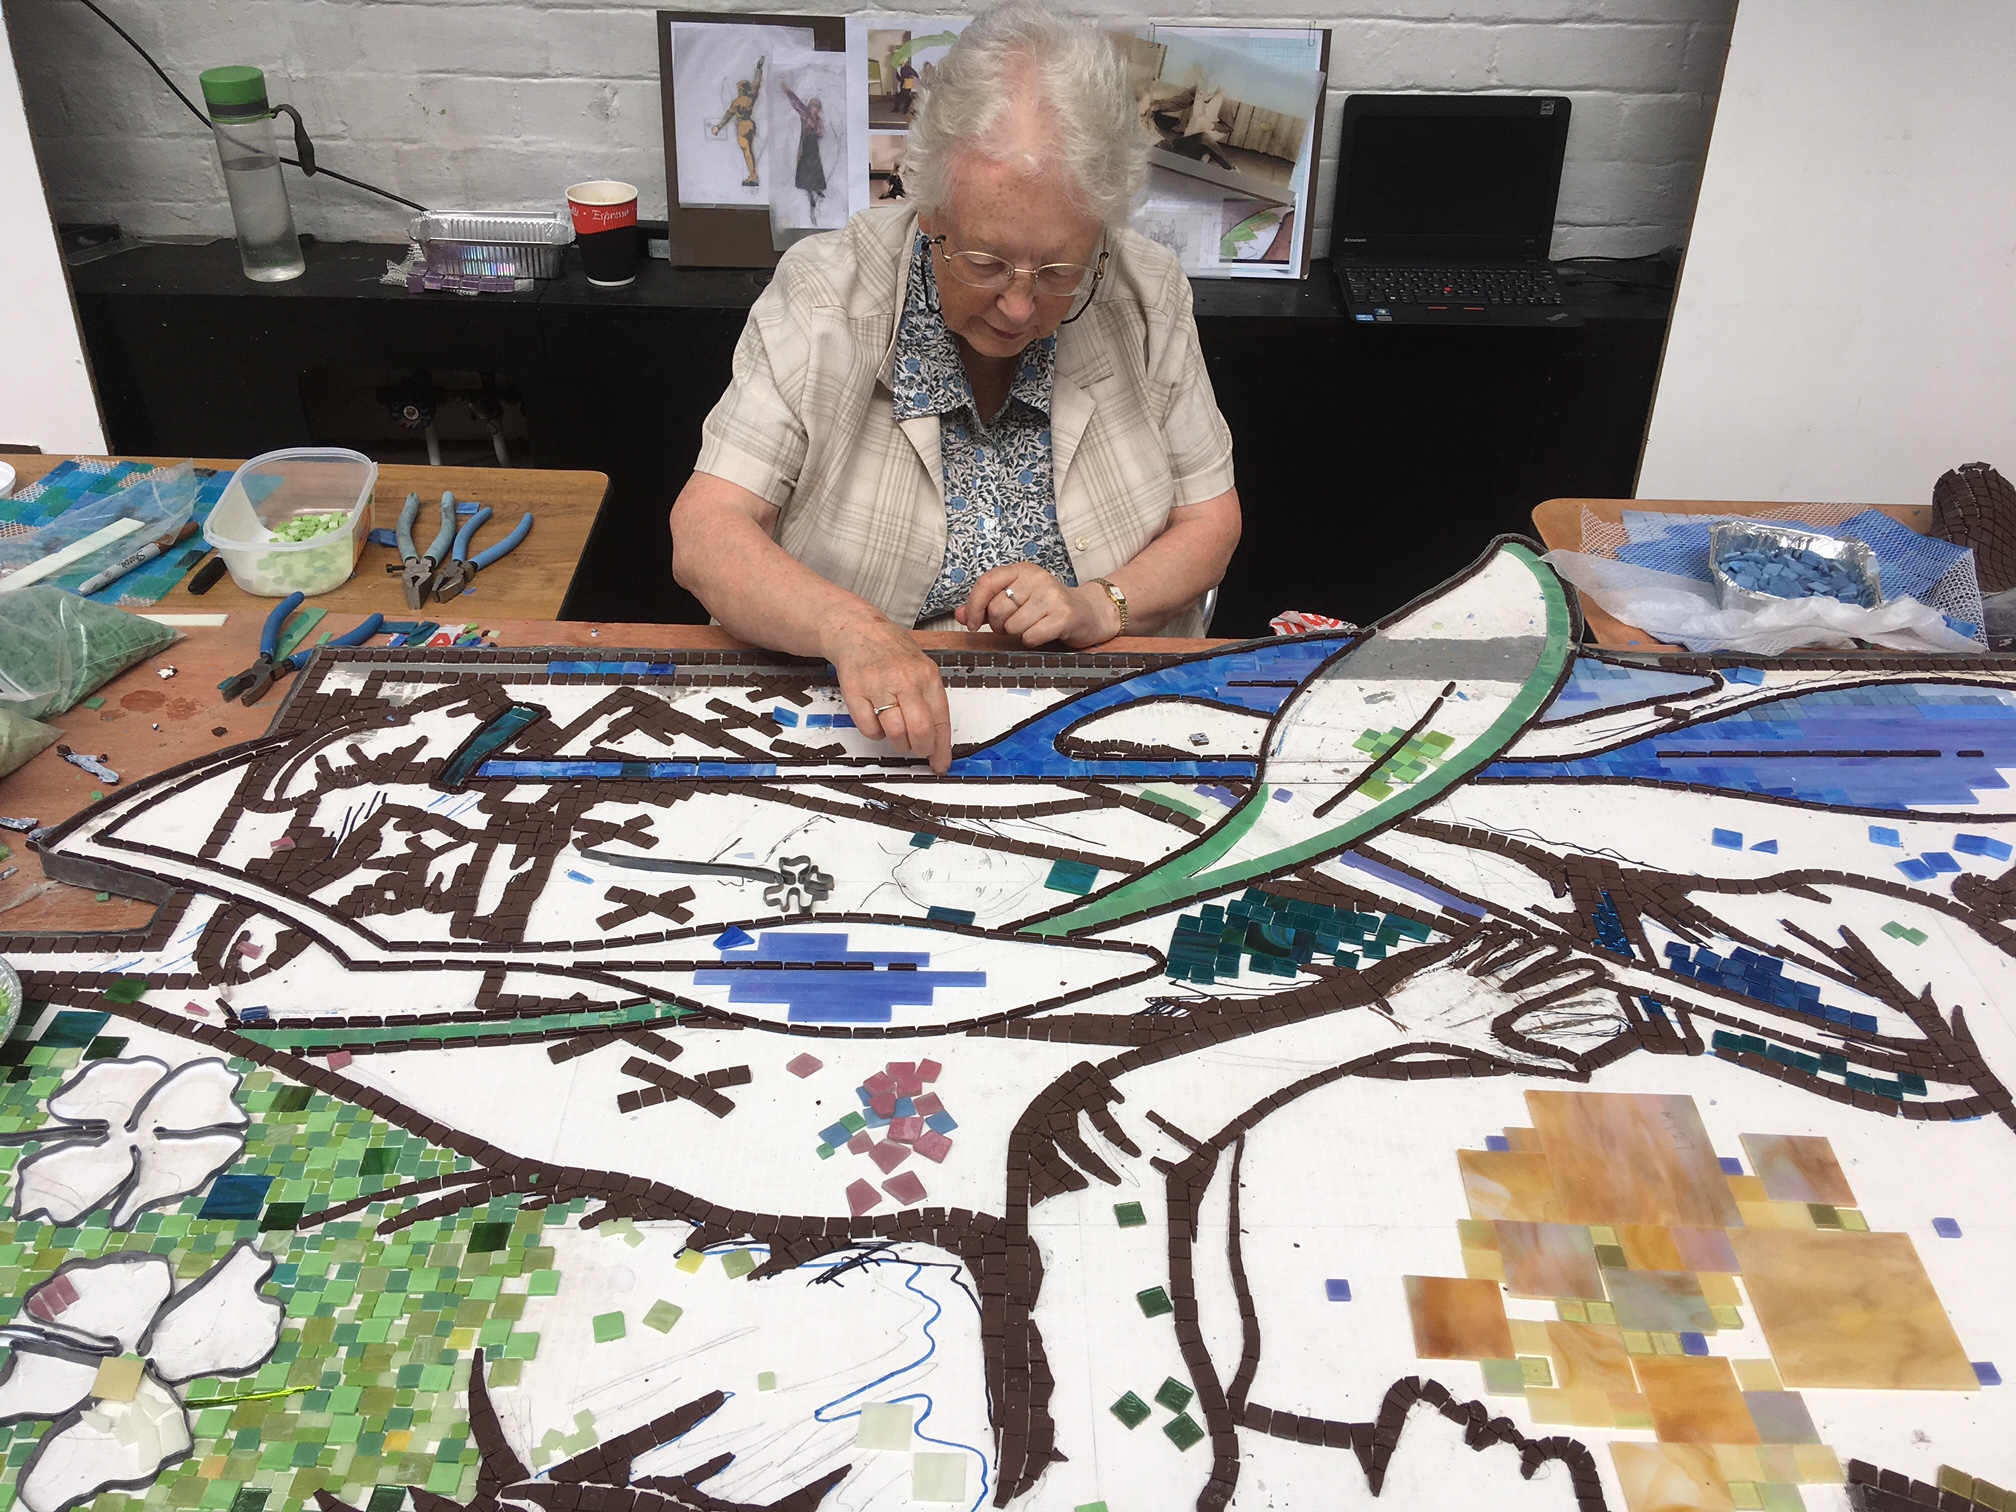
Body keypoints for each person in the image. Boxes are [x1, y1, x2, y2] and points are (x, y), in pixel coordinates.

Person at [670, 0, 1241, 775]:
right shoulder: (823, 295)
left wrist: (1098, 603)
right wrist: (856, 632)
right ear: (928, 205)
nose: (1018, 303)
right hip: (856, 723)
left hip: (1095, 717)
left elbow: (1210, 520)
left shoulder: (1147, 291)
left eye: (1060, 271)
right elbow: (706, 533)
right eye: (985, 262)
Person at [707, 58, 764, 187]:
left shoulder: (737, 102)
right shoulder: (751, 97)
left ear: (740, 89)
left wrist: (718, 127)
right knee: (750, 150)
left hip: (743, 126)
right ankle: (753, 174)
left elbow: (728, 116)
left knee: (747, 152)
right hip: (751, 124)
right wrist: (759, 69)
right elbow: (757, 82)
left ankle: (753, 176)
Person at [781, 83, 828, 221]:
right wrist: (788, 92)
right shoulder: (805, 115)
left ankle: (817, 189)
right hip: (806, 145)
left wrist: (816, 128)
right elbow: (797, 105)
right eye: (814, 107)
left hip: (813, 146)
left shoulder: (818, 120)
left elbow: (821, 134)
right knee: (805, 169)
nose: (815, 110)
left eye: (817, 108)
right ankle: (810, 193)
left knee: (815, 168)